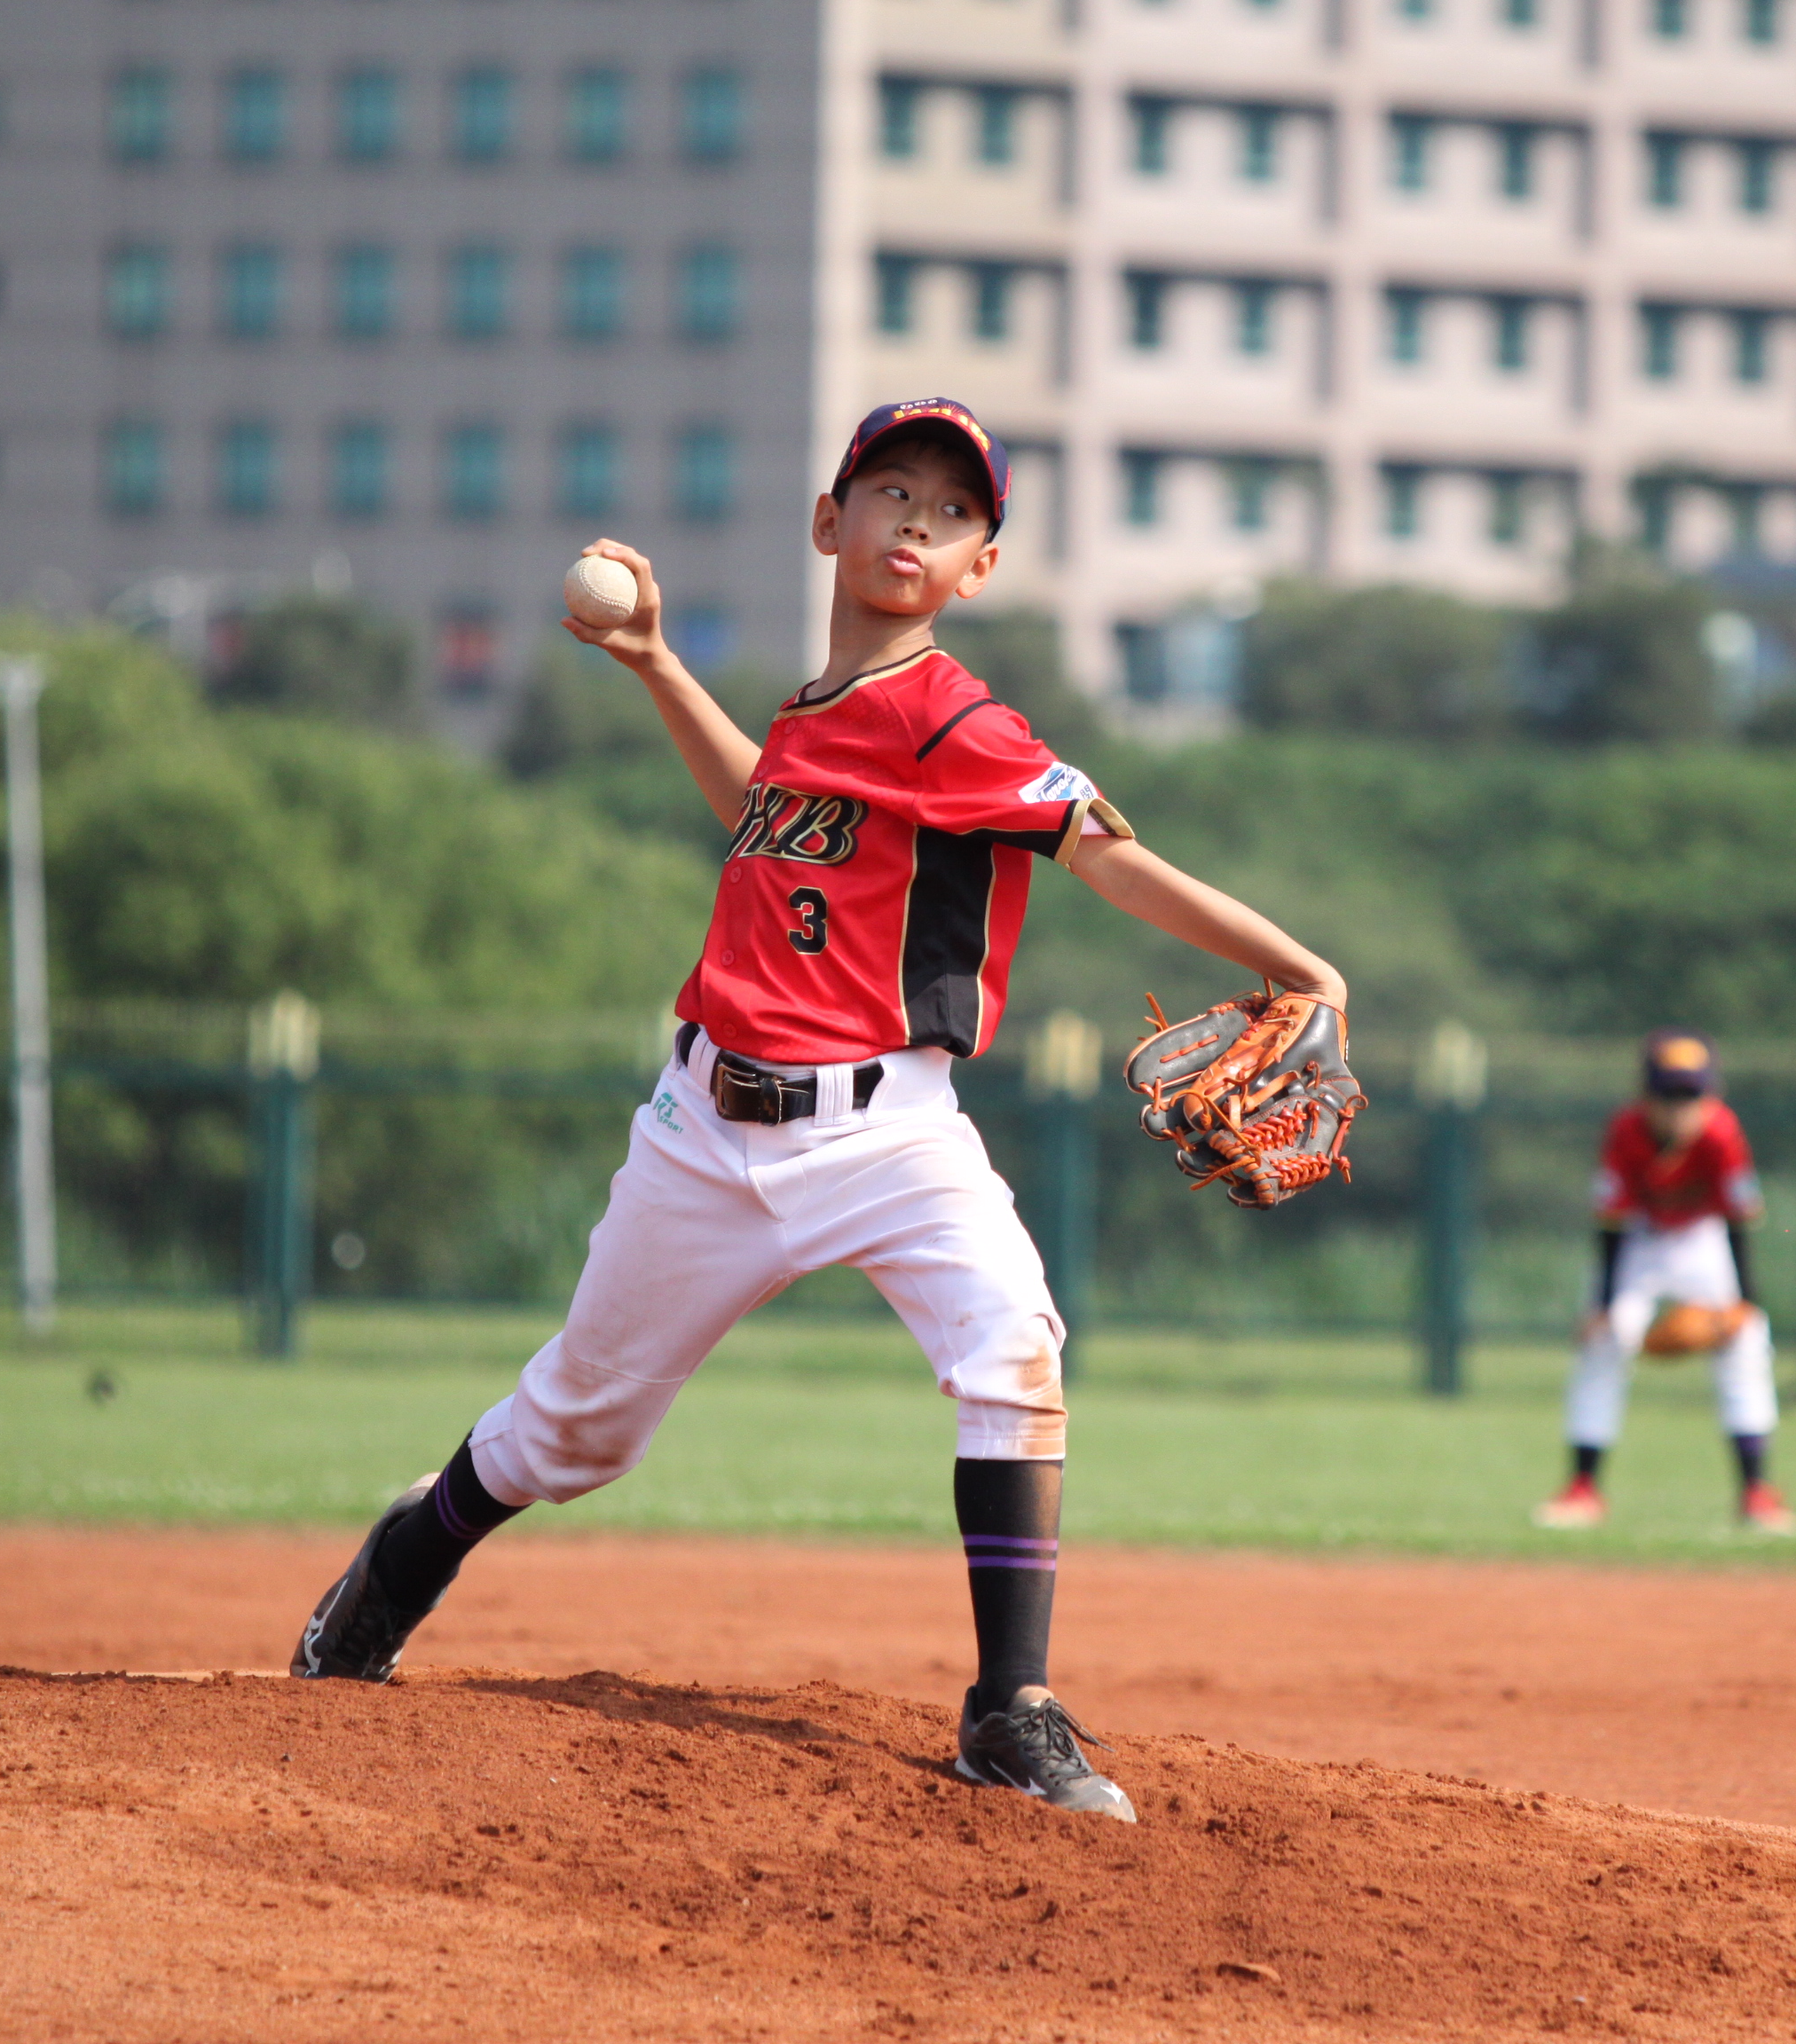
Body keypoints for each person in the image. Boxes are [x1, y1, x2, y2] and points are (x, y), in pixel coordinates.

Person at [289, 398, 1348, 1825]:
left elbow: (1106, 856)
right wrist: (658, 664)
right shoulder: (815, 711)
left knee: (1013, 1353)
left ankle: (1010, 1709)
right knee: (571, 1436)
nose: (919, 521)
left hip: (890, 1129)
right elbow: (763, 803)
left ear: (980, 566)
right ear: (828, 522)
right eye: (893, 490)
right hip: (704, 1133)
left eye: (955, 512)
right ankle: (396, 1568)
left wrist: (1298, 967)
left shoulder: (957, 718)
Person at [1532, 1029, 1796, 1537]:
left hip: (1703, 1239)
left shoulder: (1722, 1132)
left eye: (1690, 1095)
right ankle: (1583, 1489)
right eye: (1669, 1095)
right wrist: (1604, 1306)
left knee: (1746, 1341)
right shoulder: (1625, 1130)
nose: (1680, 1107)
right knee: (1605, 1341)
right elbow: (1610, 1221)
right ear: (1646, 1095)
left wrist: (1746, 1302)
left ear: (1710, 1096)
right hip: (1639, 1240)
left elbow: (1738, 1218)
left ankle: (1756, 1493)